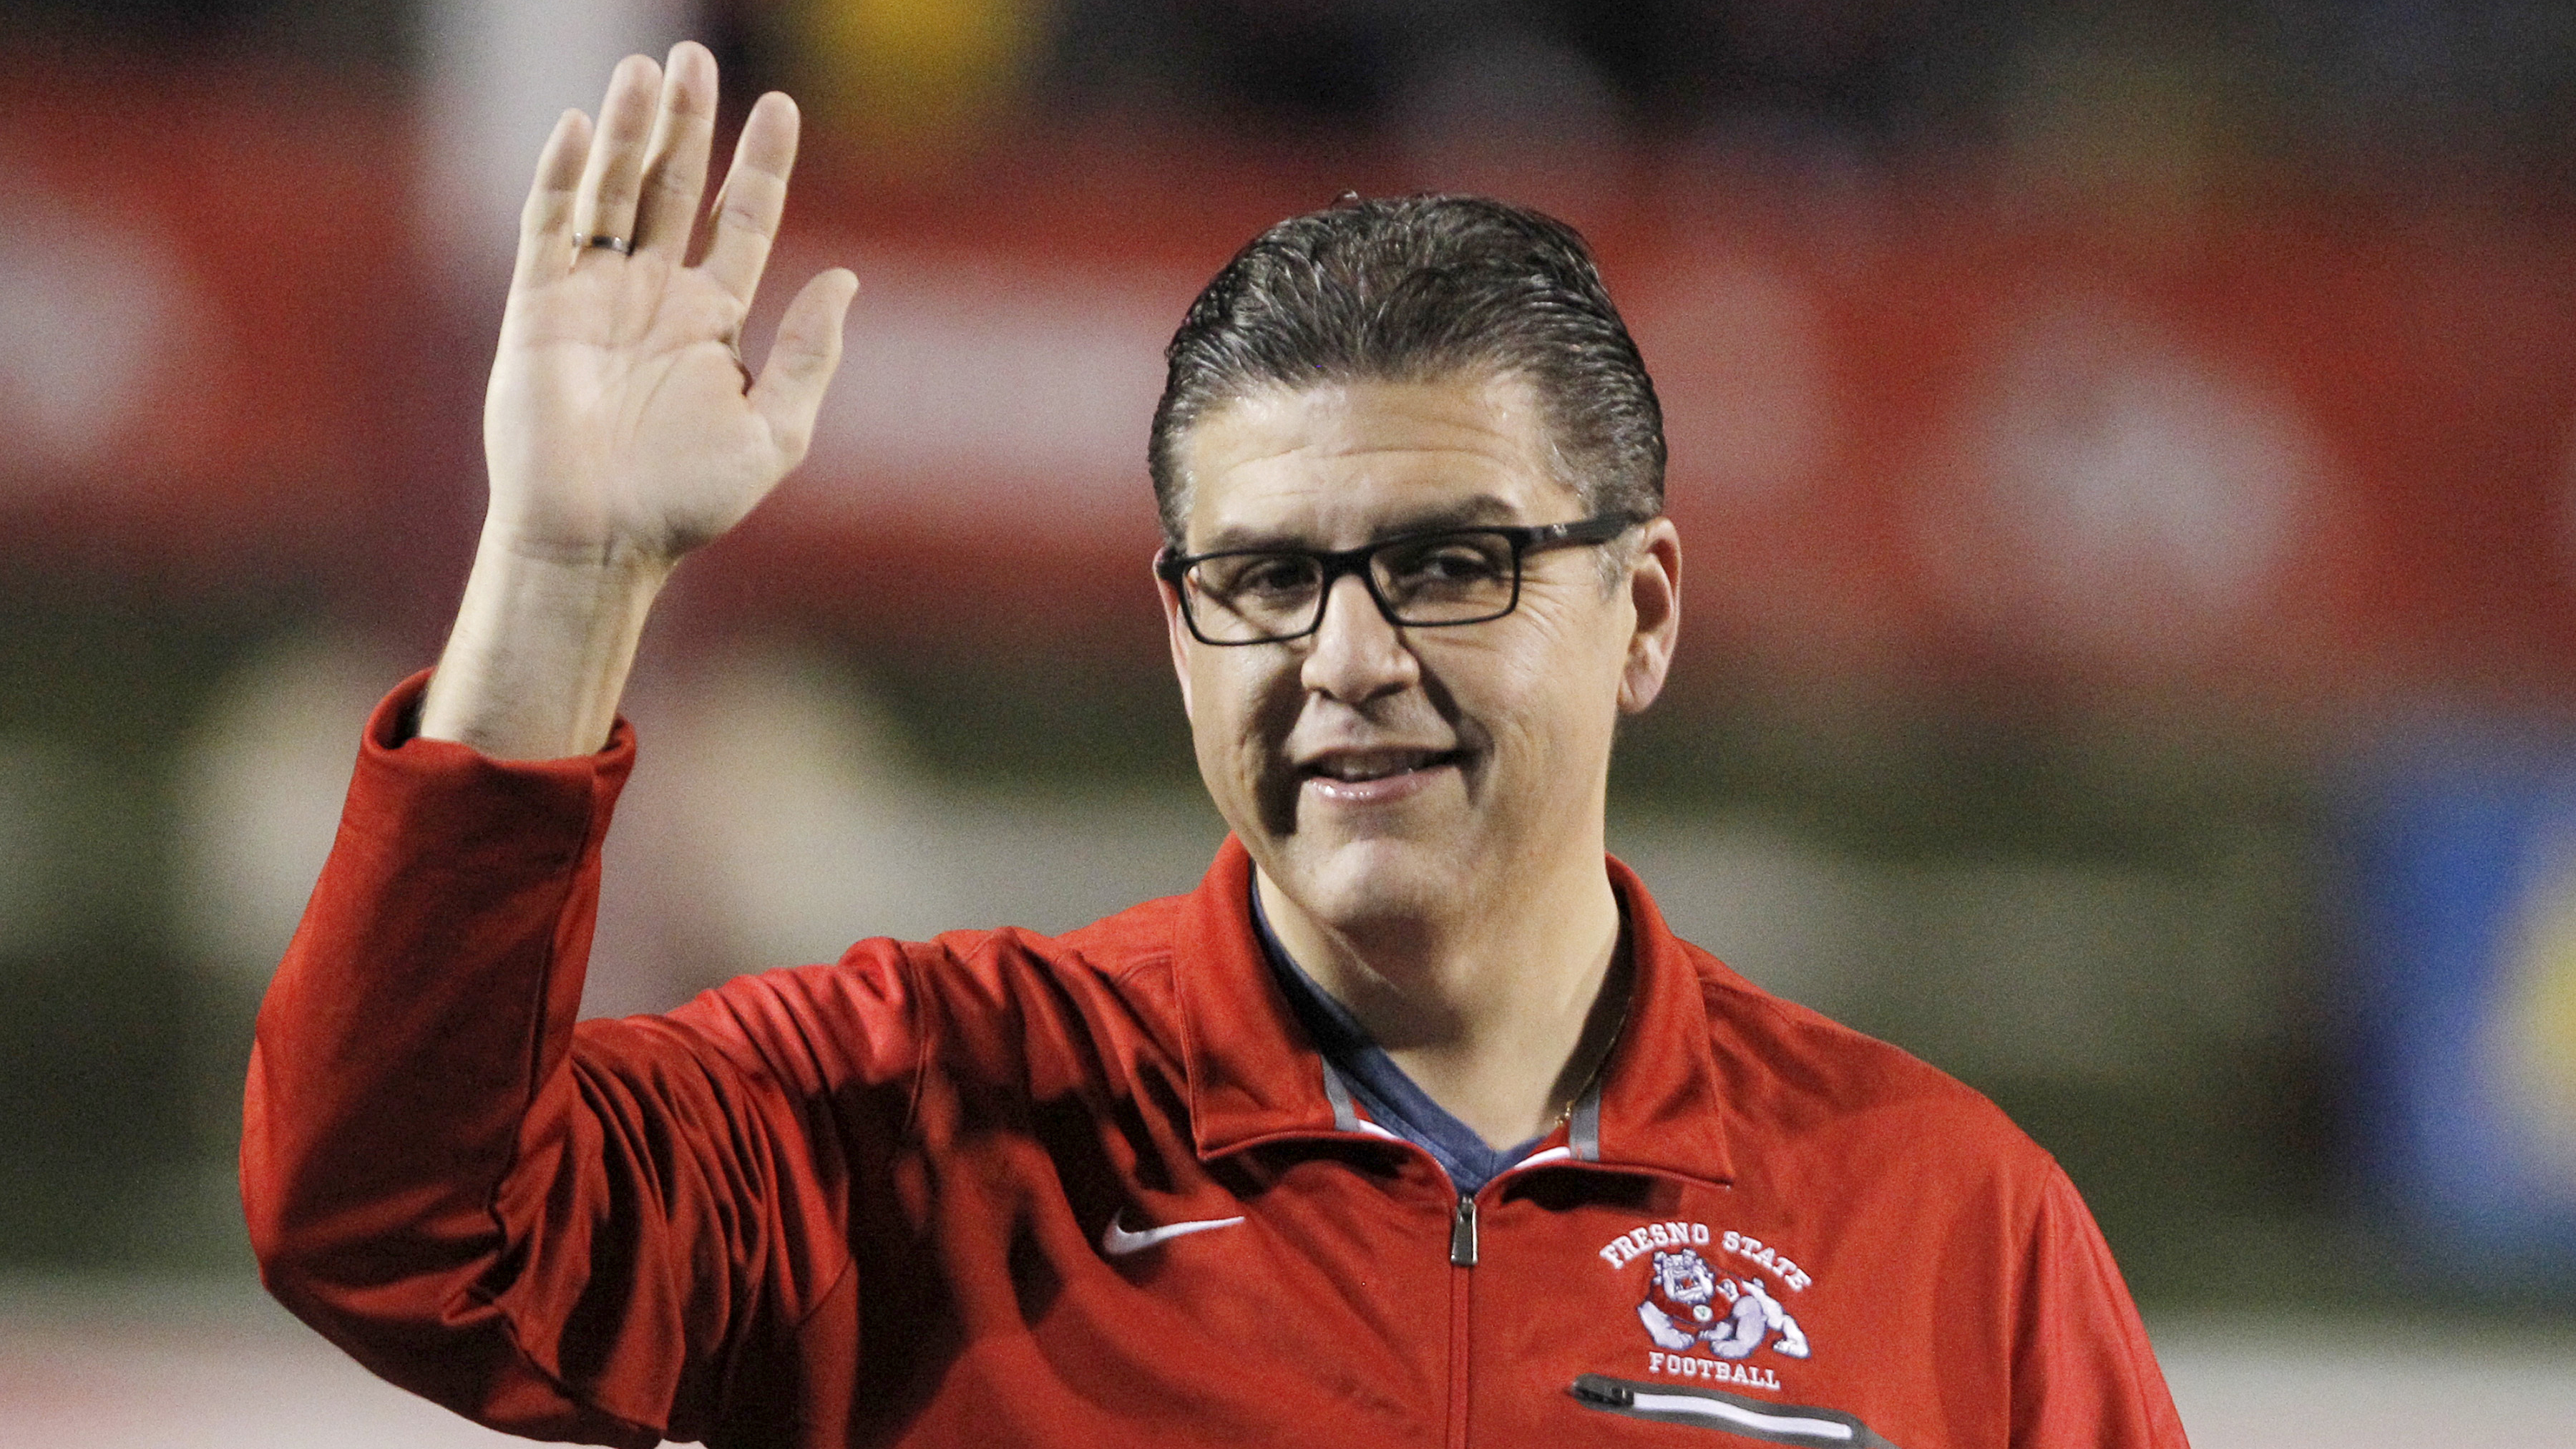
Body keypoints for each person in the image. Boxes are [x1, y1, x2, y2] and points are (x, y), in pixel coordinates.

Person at [243, 41, 2190, 1449]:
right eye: (1264, 578)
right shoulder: (910, 1121)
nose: (1346, 656)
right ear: (1181, 634)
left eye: (1448, 562)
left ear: (1648, 612)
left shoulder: (1949, 1222)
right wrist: (563, 581)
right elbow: (399, 1226)